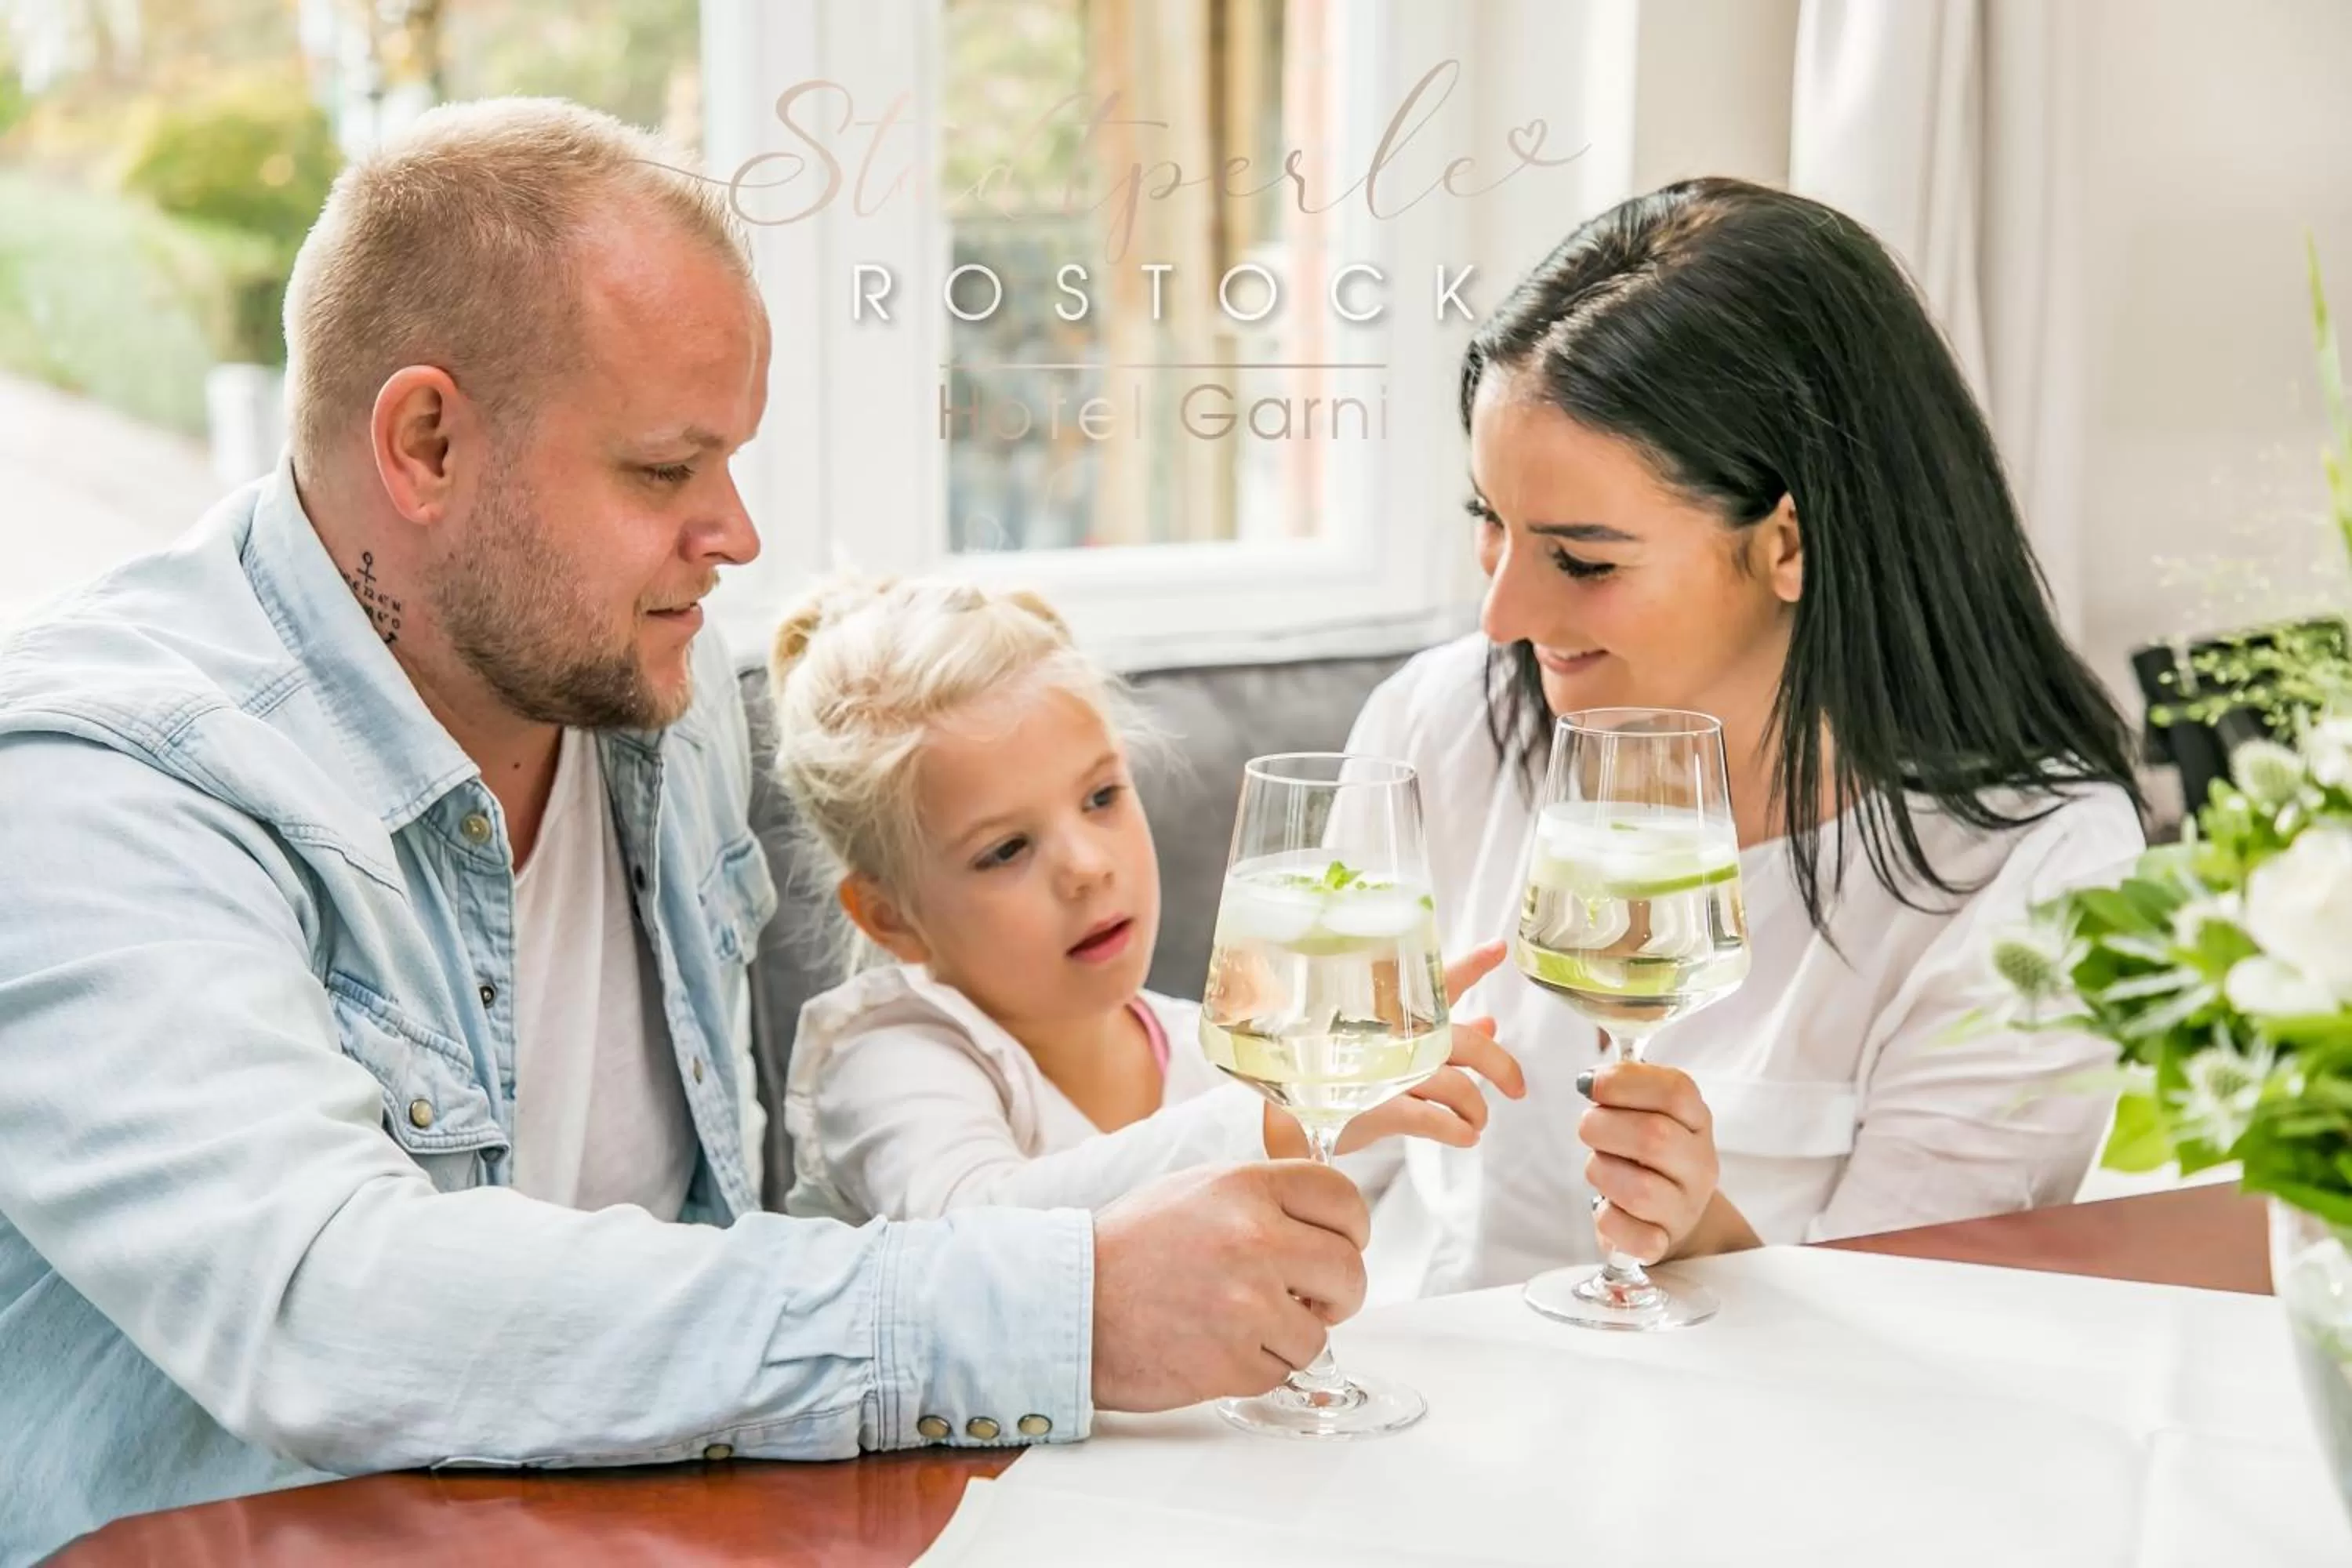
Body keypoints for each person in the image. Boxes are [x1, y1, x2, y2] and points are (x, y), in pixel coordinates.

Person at [0, 99, 1370, 1567]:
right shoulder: (98, 784)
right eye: (664, 471)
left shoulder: (664, 697)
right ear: (426, 443)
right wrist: (1061, 1311)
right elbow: (329, 1306)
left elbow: (717, 1256)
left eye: (733, 461)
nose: (735, 532)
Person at [1347, 177, 2148, 1298]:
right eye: (1491, 519)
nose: (1502, 617)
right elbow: (1316, 1161)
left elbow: (1921, 1343)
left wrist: (1705, 1241)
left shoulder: (2031, 872)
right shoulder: (1443, 724)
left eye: (1583, 559)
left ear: (1790, 543)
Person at [764, 575, 1525, 1225]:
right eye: (1006, 849)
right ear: (891, 916)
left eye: (1101, 796)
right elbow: (977, 1234)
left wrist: (1377, 1075)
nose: (1087, 867)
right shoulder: (891, 1054)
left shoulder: (1206, 1047)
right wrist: (1280, 1116)